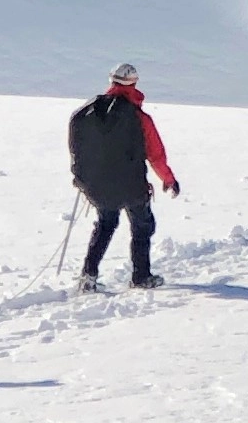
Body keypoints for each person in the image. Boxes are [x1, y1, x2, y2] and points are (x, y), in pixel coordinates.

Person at [68, 64, 181, 291]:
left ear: (112, 81)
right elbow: (156, 154)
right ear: (135, 84)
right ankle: (141, 276)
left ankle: (88, 276)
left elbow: (78, 149)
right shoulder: (139, 117)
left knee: (106, 224)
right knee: (142, 225)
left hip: (98, 185)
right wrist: (168, 179)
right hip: (132, 185)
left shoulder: (87, 112)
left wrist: (82, 180)